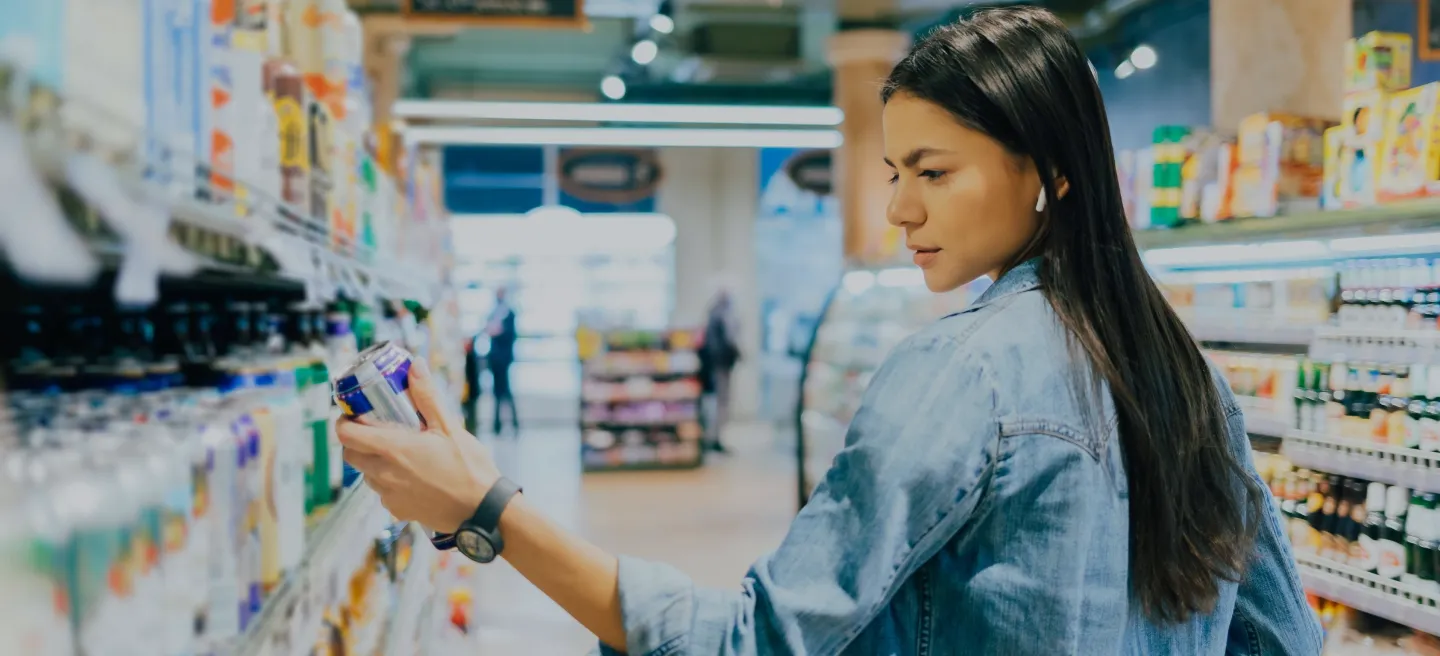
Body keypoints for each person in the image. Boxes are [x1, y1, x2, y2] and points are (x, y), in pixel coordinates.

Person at [335, 7, 1323, 654]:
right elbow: (1282, 640)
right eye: (894, 172)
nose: (898, 209)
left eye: (933, 172)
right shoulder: (1187, 376)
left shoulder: (961, 368)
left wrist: (487, 507)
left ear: (1048, 174)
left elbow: (756, 644)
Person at [697, 288, 740, 453]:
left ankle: (713, 437)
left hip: (716, 366)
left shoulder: (711, 314)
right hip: (721, 366)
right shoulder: (722, 315)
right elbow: (730, 340)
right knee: (721, 403)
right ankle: (715, 438)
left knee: (716, 403)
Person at [485, 287, 519, 436]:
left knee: (505, 391)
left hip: (504, 359)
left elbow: (511, 335)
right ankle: (497, 425)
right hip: (494, 359)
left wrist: (498, 332)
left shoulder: (509, 314)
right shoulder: (493, 313)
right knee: (498, 392)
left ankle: (513, 423)